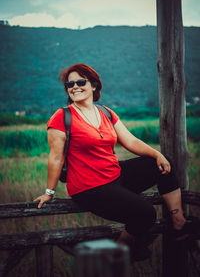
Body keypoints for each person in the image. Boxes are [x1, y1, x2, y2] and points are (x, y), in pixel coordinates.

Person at [34, 63, 186, 260]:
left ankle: (178, 221)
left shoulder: (105, 112)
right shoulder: (61, 117)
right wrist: (49, 192)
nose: (75, 87)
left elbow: (130, 140)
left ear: (94, 86)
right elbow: (56, 157)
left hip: (114, 175)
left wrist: (157, 154)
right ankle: (119, 252)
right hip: (89, 187)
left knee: (162, 165)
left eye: (81, 82)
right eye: (69, 84)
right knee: (146, 214)